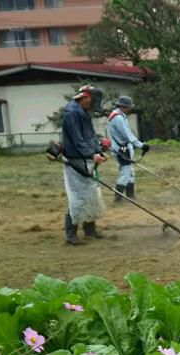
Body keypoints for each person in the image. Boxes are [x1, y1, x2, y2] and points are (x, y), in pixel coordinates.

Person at [61, 85, 108, 245]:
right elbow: (77, 139)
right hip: (75, 160)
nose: (94, 103)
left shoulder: (82, 112)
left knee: (92, 195)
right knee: (78, 197)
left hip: (85, 158)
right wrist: (91, 154)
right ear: (85, 97)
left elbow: (90, 135)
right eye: (93, 100)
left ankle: (90, 230)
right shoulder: (72, 113)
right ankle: (71, 234)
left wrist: (98, 150)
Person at [107, 96, 149, 203]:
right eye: (128, 107)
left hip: (123, 147)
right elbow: (127, 135)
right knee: (125, 173)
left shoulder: (118, 115)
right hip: (121, 149)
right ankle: (118, 198)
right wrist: (141, 145)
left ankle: (130, 196)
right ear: (123, 106)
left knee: (130, 173)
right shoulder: (118, 118)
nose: (130, 109)